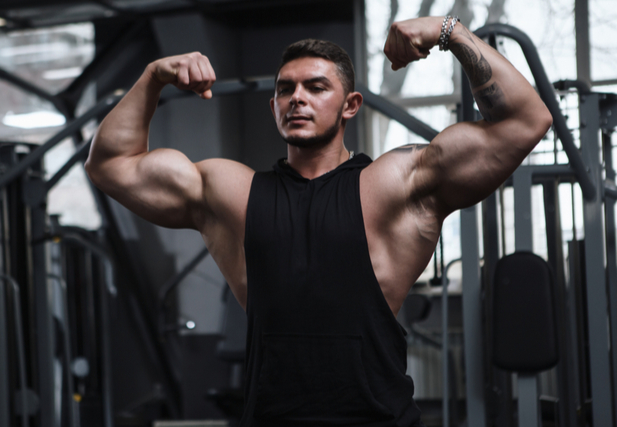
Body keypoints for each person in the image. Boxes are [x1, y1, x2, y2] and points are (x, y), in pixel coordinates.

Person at [85, 15, 552, 427]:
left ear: (350, 105)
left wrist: (448, 32)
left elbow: (525, 121)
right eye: (285, 89)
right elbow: (111, 165)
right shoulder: (233, 193)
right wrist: (152, 77)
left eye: (316, 87)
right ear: (273, 108)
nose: (297, 99)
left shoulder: (393, 184)